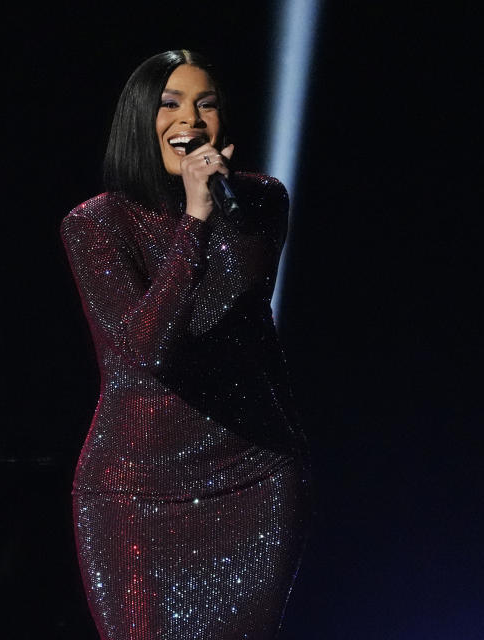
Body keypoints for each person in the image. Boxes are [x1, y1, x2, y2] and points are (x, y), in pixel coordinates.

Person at [61, 49, 309, 640]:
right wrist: (195, 219)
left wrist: (212, 209)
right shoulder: (95, 224)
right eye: (169, 105)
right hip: (133, 494)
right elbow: (150, 347)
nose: (190, 121)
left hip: (251, 476)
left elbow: (221, 313)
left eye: (206, 105)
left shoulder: (260, 204)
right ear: (139, 119)